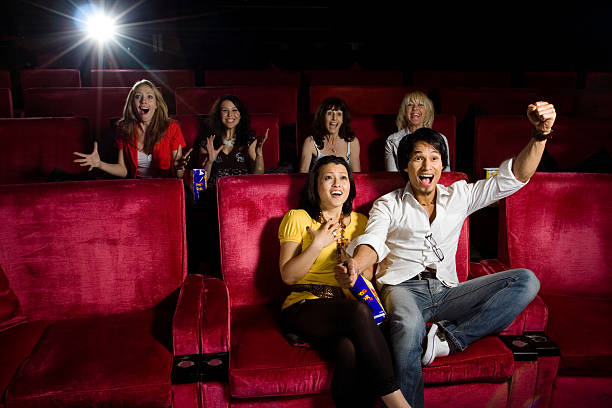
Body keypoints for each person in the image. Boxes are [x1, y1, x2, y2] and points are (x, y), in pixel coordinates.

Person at [335, 102, 556, 408]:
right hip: (403, 289)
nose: (427, 167)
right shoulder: (389, 204)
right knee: (409, 325)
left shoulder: (460, 194)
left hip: (448, 290)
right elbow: (372, 240)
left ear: (442, 165)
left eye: (434, 158)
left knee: (526, 281)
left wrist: (539, 135)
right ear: (405, 166)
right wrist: (356, 265)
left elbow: (513, 178)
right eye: (418, 158)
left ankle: (446, 341)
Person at [278, 155, 410, 408]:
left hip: (347, 306)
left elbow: (369, 273)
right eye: (328, 178)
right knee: (357, 312)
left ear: (350, 185)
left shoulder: (361, 223)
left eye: (343, 178)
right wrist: (317, 243)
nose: (336, 184)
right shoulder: (298, 218)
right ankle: (398, 403)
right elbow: (288, 275)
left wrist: (353, 271)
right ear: (316, 185)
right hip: (305, 305)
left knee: (349, 351)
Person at [74, 79, 191, 178]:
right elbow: (123, 170)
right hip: (136, 188)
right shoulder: (123, 128)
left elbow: (178, 175)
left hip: (163, 188)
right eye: (138, 96)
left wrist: (178, 169)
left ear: (156, 105)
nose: (143, 101)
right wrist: (100, 164)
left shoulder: (172, 128)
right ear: (132, 104)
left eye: (149, 97)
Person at [198, 94, 268, 189]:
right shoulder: (208, 140)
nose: (230, 115)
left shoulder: (249, 139)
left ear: (240, 114)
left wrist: (259, 154)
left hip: (241, 193)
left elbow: (259, 174)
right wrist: (209, 162)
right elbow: (199, 184)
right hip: (214, 196)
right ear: (218, 114)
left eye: (234, 110)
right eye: (225, 110)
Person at [385, 91, 451, 172]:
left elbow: (446, 172)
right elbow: (392, 176)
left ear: (427, 111)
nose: (415, 108)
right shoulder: (391, 140)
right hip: (404, 184)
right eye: (410, 105)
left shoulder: (442, 138)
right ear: (404, 111)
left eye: (420, 105)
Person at [299, 97, 361, 173]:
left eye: (339, 114)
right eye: (329, 113)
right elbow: (302, 177)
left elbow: (357, 177)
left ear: (343, 119)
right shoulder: (310, 142)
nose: (334, 118)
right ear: (322, 117)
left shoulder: (352, 142)